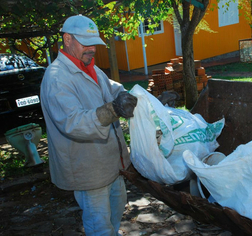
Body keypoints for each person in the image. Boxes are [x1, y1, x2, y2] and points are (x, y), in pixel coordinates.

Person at [40, 14, 177, 236]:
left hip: (111, 164)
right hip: (87, 168)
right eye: (86, 43)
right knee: (99, 226)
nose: (92, 49)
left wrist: (153, 102)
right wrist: (113, 109)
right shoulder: (57, 77)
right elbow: (73, 123)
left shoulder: (91, 69)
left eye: (94, 44)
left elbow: (120, 94)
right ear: (67, 39)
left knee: (114, 216)